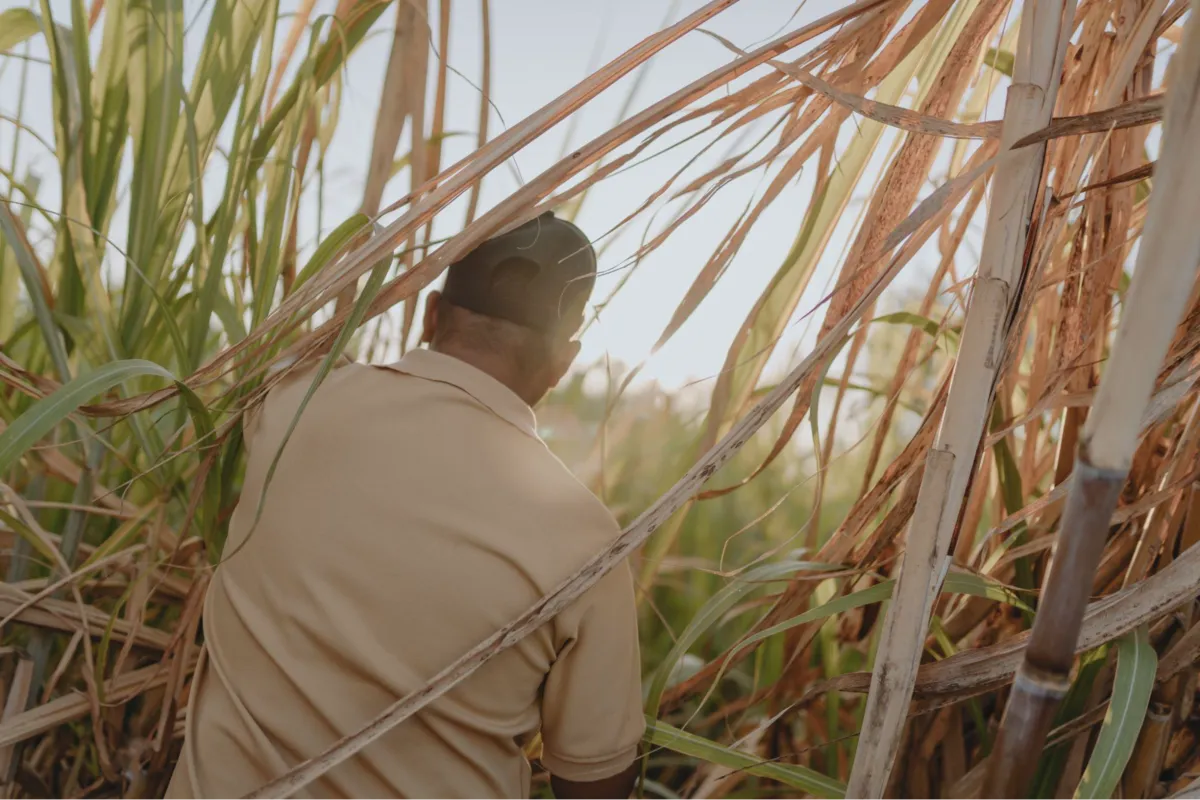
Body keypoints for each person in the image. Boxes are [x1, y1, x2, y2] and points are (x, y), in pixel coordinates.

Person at [167, 213, 644, 800]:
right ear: (562, 363)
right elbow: (594, 780)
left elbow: (286, 350)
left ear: (432, 315)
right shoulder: (587, 541)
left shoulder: (293, 402)